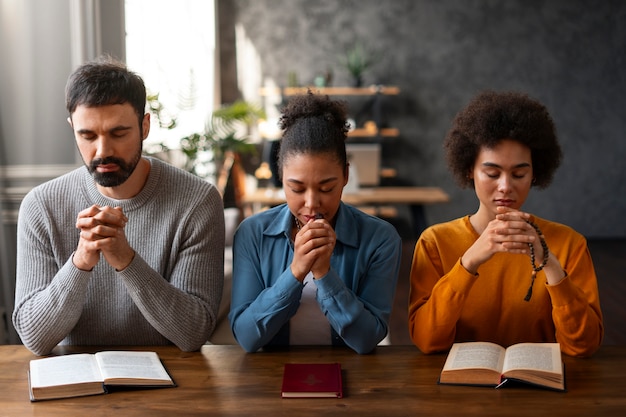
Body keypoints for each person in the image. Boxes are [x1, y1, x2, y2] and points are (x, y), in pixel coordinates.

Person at [12, 56, 225, 355]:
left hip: (172, 384)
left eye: (119, 133)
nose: (103, 151)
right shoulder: (41, 205)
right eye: (87, 135)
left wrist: (124, 258)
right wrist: (81, 260)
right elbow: (34, 337)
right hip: (75, 382)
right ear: (73, 127)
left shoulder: (197, 201)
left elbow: (193, 333)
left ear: (145, 126)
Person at [408, 91, 603, 358]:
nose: (505, 186)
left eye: (519, 174)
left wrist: (551, 264)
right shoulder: (435, 242)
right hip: (459, 392)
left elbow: (583, 345)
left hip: (545, 392)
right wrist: (469, 263)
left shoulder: (570, 244)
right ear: (469, 170)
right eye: (492, 173)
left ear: (535, 174)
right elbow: (427, 340)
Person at [229, 92, 402, 354]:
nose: (311, 203)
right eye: (297, 189)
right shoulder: (253, 234)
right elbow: (246, 336)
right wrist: (296, 272)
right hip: (271, 380)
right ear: (281, 177)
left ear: (345, 175)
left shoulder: (380, 239)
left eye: (326, 187)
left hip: (353, 378)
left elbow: (367, 339)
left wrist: (324, 273)